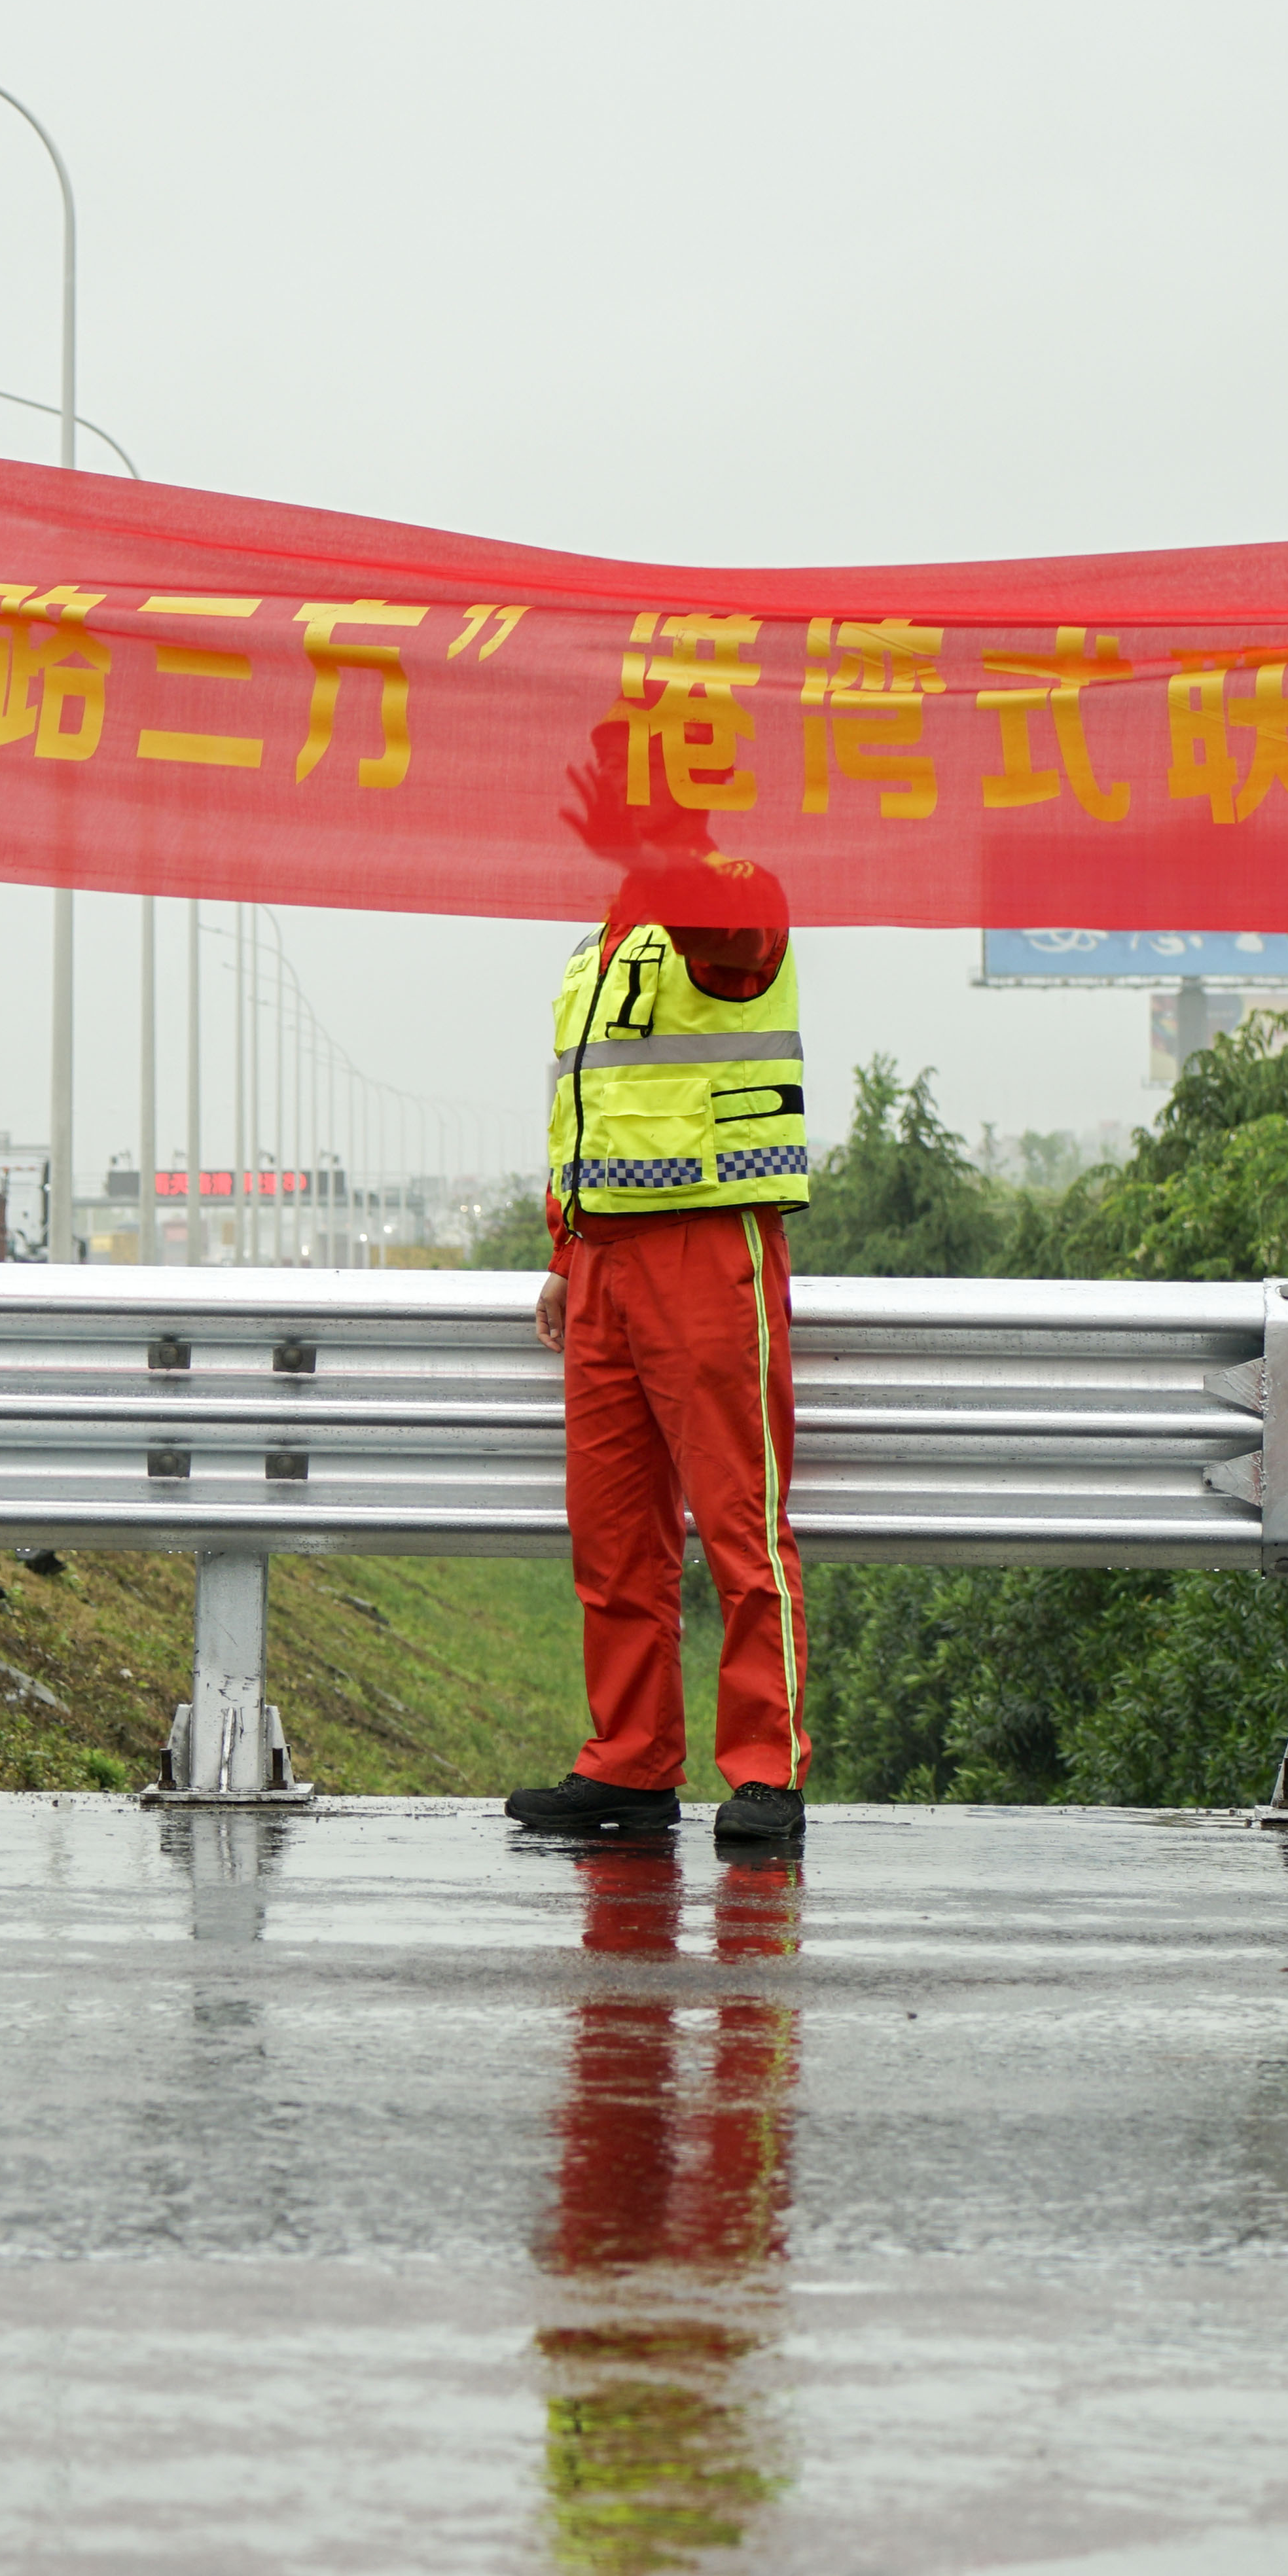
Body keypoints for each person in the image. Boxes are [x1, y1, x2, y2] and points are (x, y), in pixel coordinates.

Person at [501, 755, 814, 1848]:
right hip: (602, 1264)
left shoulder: (735, 897)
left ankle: (766, 1771)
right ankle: (631, 1763)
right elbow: (585, 1112)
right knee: (614, 1537)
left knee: (738, 1523)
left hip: (708, 1246)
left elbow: (730, 944)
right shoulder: (598, 942)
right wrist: (564, 1247)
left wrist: (663, 855)